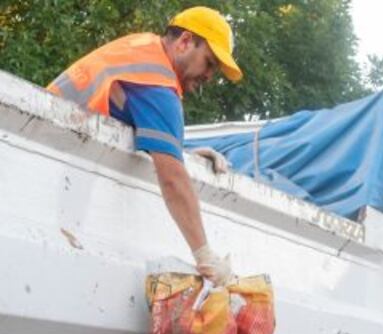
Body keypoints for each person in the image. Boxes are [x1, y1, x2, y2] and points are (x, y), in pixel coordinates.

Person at [47, 6, 240, 286]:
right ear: (185, 42)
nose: (210, 76)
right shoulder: (158, 85)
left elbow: (124, 115)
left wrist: (182, 154)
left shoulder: (141, 49)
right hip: (57, 170)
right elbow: (173, 180)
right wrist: (205, 255)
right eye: (209, 63)